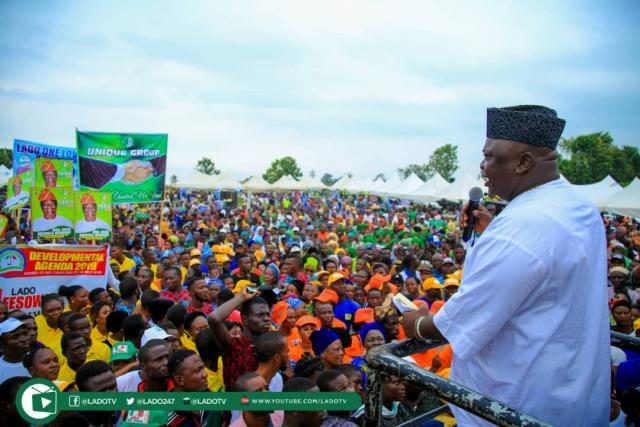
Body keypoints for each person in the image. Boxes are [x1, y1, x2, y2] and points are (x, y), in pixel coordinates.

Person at [402, 105, 610, 425]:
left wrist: (416, 323)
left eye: (489, 156)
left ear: (523, 163)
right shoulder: (578, 206)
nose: (483, 168)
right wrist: (491, 233)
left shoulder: (522, 229)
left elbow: (454, 323)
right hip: (569, 395)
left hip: (514, 407)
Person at [0, 318, 30, 384]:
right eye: (15, 336)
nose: (24, 339)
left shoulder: (38, 361)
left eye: (25, 333)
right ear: (1, 345)